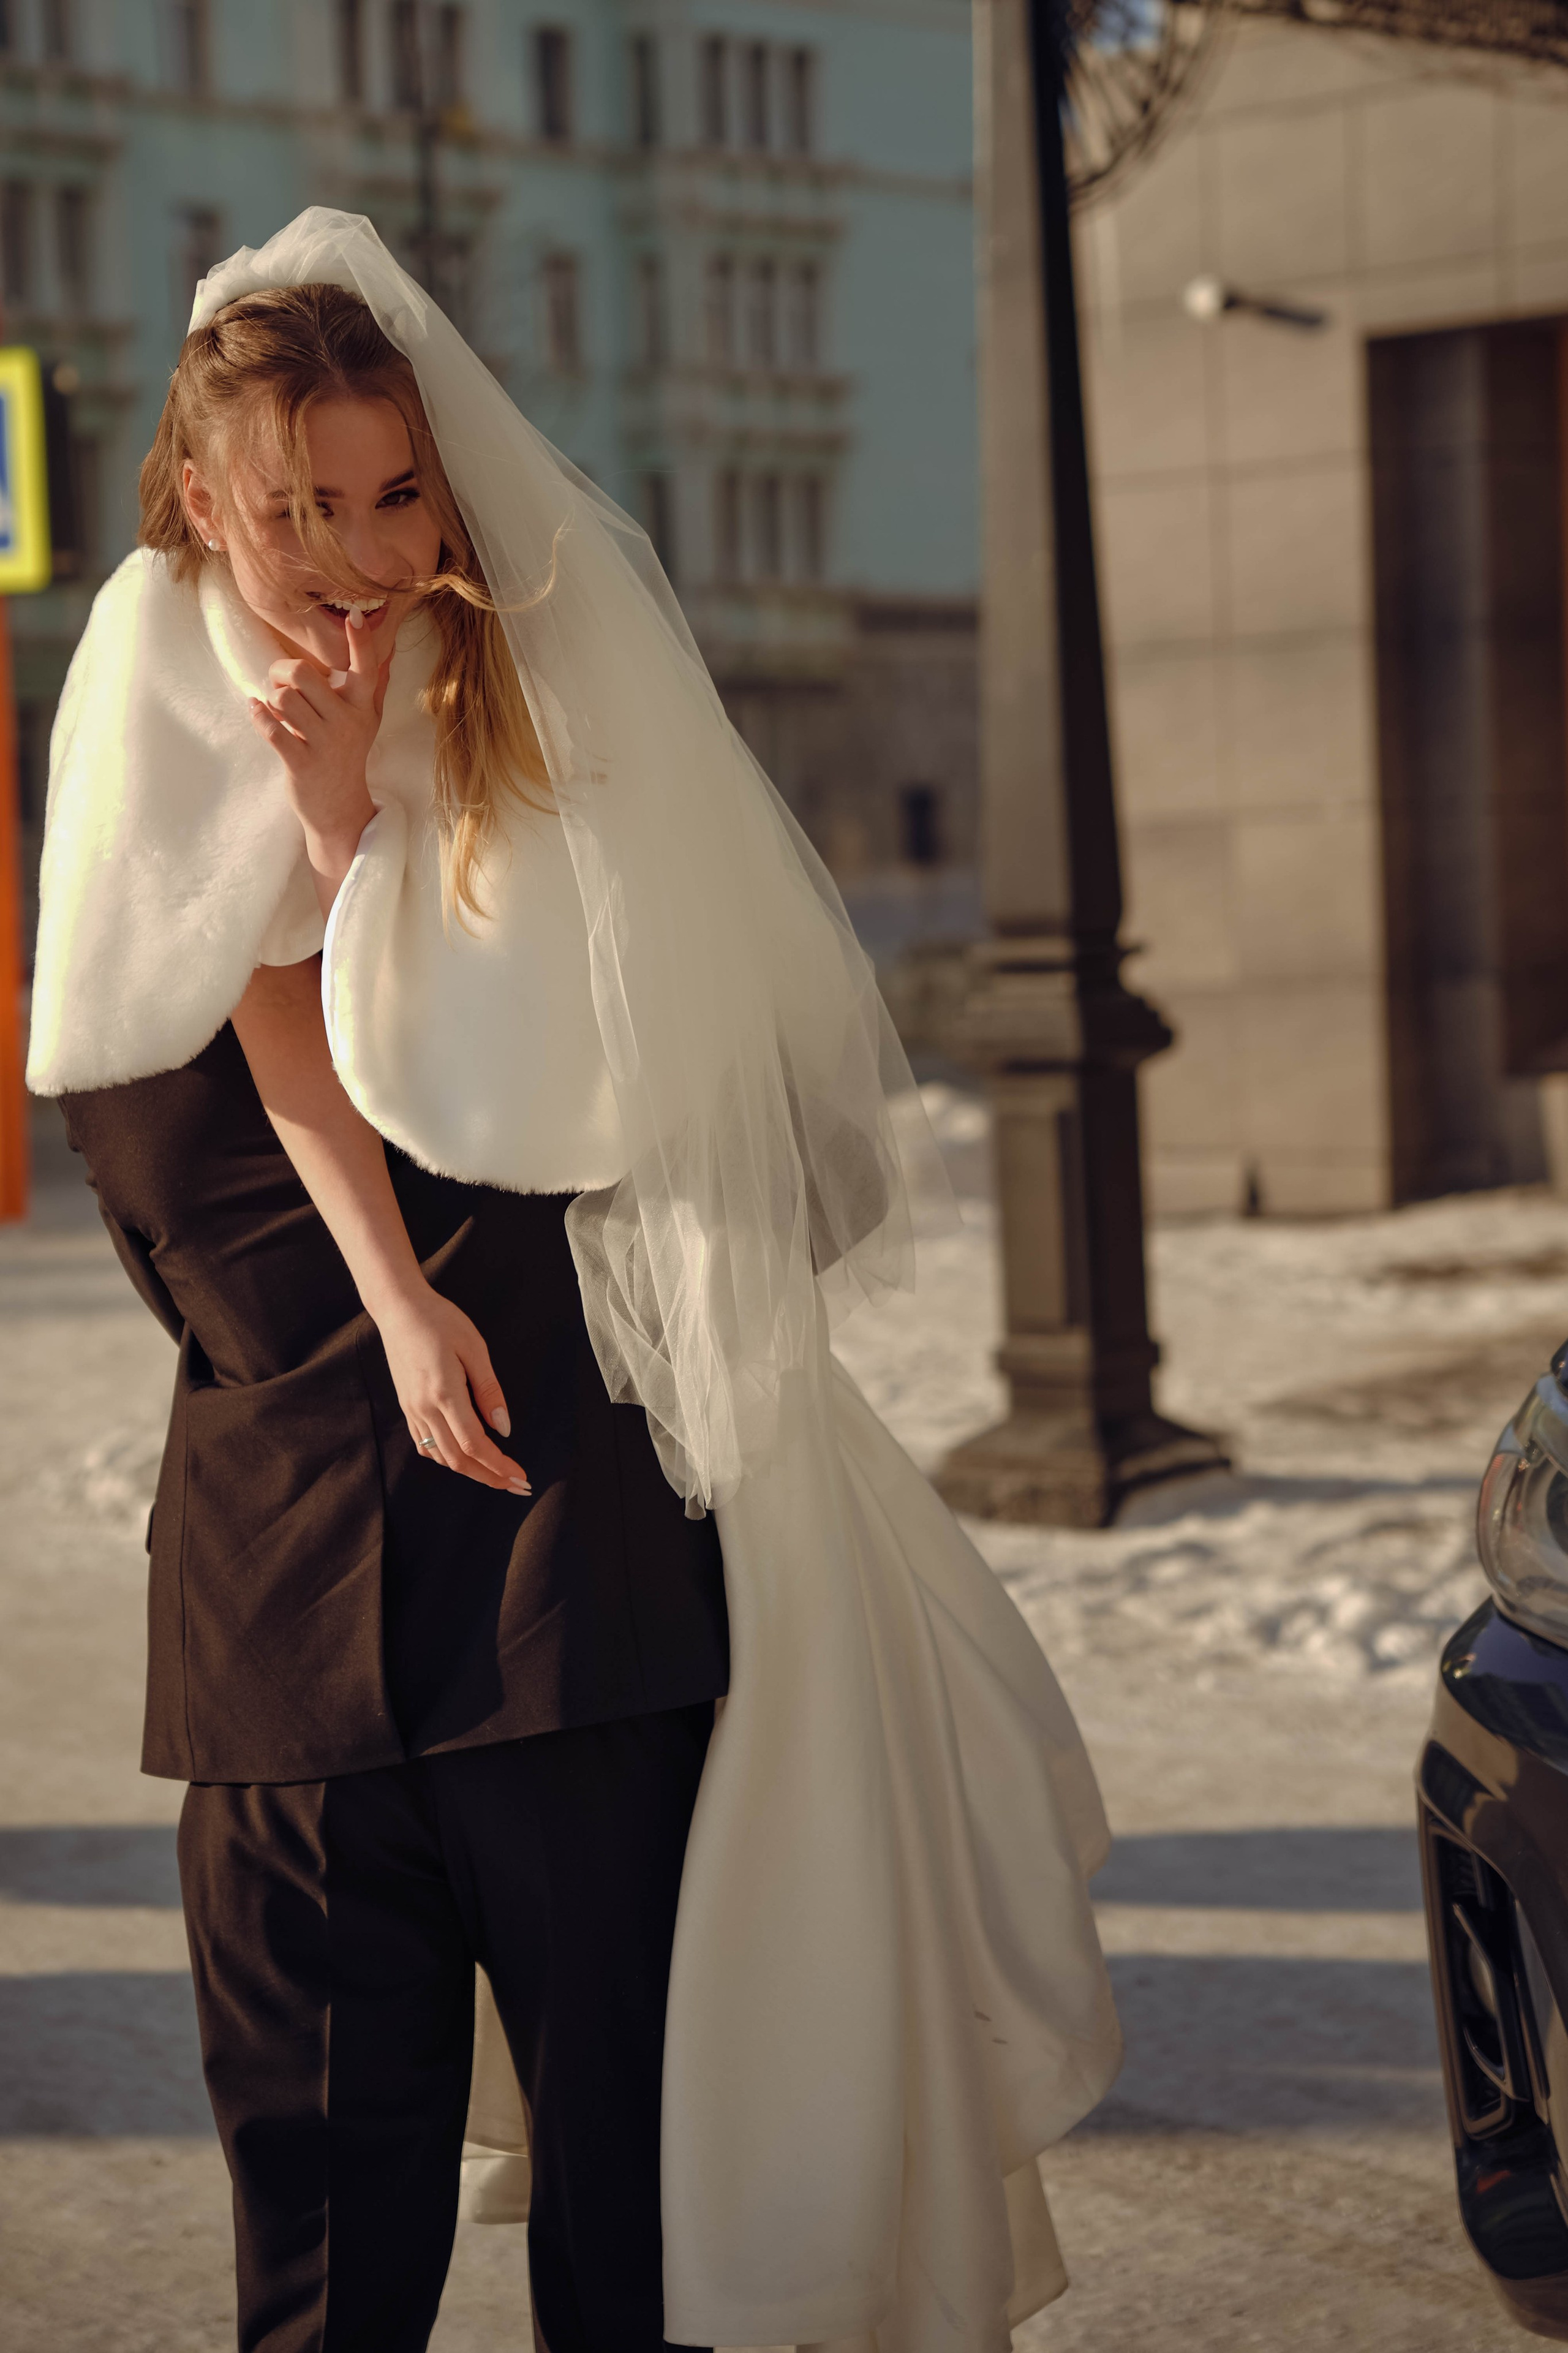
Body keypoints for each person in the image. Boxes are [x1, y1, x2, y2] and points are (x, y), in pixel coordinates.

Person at [28, 211, 1121, 2353]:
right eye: (294, 509)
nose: (353, 554)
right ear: (193, 505)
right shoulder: (134, 743)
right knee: (322, 2272)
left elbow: (592, 1120)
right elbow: (203, 1112)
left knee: (636, 2240)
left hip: (567, 1603)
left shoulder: (550, 723)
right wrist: (315, 867)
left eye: (394, 491)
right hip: (282, 1640)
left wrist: (356, 841)